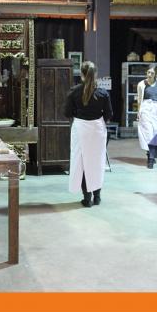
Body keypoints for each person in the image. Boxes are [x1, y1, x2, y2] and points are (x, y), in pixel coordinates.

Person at [64, 61, 112, 208]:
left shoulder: (74, 91)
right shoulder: (103, 93)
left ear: (82, 74)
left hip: (81, 129)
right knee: (97, 162)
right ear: (95, 74)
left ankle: (87, 198)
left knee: (82, 162)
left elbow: (67, 113)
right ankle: (97, 197)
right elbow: (109, 114)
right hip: (97, 129)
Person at [137, 65, 157, 169]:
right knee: (148, 132)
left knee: (155, 133)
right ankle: (150, 157)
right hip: (146, 109)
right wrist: (138, 112)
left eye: (152, 73)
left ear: (155, 75)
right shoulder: (141, 84)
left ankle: (151, 154)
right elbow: (139, 99)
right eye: (148, 72)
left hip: (156, 109)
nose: (149, 75)